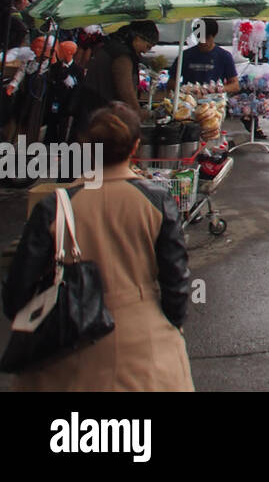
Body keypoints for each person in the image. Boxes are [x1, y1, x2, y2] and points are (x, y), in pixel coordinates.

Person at [2, 102, 194, 391]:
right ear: (135, 147)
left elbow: (17, 293)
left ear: (87, 147)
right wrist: (173, 323)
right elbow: (176, 280)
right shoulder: (156, 202)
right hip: (146, 347)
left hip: (65, 352)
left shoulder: (56, 206)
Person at [74, 20, 158, 134]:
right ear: (137, 38)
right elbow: (125, 91)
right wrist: (139, 113)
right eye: (147, 46)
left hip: (91, 111)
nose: (145, 51)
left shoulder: (113, 46)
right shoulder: (122, 56)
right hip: (98, 117)